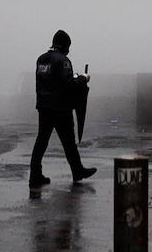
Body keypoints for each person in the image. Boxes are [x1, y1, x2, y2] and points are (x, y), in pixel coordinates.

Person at [29, 29, 96, 188]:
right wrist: (83, 78)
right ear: (65, 45)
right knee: (68, 143)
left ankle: (35, 175)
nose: (69, 50)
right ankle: (78, 171)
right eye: (68, 46)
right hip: (60, 108)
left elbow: (48, 81)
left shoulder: (41, 59)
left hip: (44, 106)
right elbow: (68, 85)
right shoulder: (63, 60)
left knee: (41, 142)